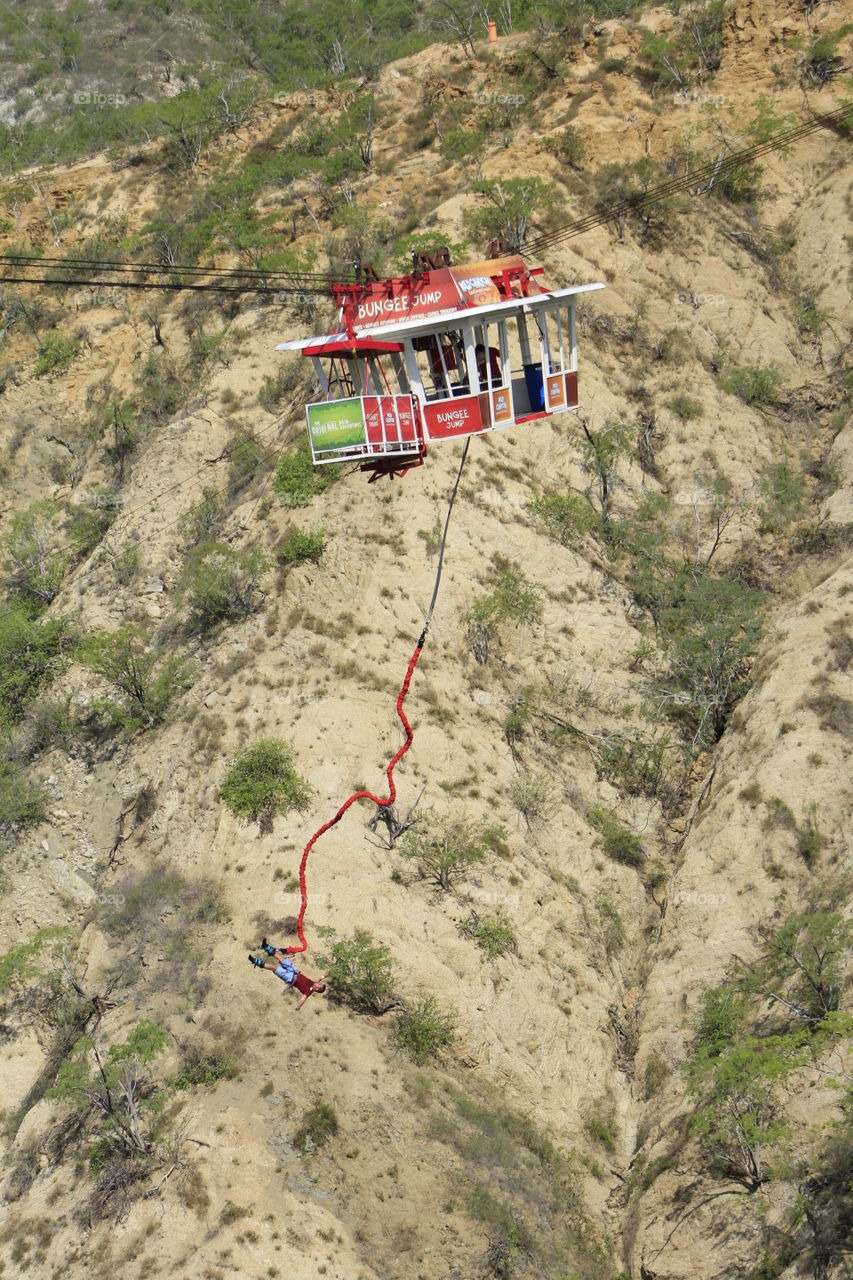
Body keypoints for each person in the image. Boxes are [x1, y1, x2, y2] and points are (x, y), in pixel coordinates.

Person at [249, 939, 328, 1011]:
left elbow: (303, 999)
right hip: (294, 970)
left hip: (290, 978)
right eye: (320, 983)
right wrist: (324, 976)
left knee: (274, 967)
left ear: (317, 989)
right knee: (281, 958)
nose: (319, 983)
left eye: (319, 985)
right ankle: (265, 946)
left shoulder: (309, 991)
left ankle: (255, 961)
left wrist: (298, 1007)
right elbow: (318, 979)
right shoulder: (313, 983)